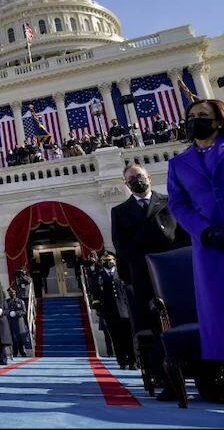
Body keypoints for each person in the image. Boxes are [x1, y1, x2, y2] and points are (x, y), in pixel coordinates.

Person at [111, 163, 189, 398]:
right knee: (157, 328)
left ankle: (205, 374)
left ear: (149, 177)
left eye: (140, 176)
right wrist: (147, 260)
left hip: (175, 274)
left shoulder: (169, 202)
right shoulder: (120, 211)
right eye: (131, 178)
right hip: (146, 276)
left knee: (185, 318)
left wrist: (172, 259)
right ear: (126, 184)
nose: (137, 181)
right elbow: (121, 246)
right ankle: (168, 379)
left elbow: (184, 236)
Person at [167, 99, 224, 367]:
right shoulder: (178, 164)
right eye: (190, 117)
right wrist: (205, 232)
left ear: (218, 121)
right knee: (218, 308)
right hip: (210, 245)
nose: (195, 120)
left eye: (202, 115)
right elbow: (178, 205)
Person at [90, 253, 135, 369]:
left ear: (114, 261)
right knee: (116, 338)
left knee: (128, 337)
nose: (108, 262)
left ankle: (132, 361)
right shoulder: (98, 276)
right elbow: (95, 294)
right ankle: (122, 361)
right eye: (105, 261)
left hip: (124, 310)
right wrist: (99, 310)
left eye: (110, 260)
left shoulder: (121, 273)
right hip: (109, 311)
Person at [6, 288, 27, 358]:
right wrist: (9, 313)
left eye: (13, 292)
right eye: (10, 293)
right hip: (11, 322)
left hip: (19, 322)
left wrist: (16, 313)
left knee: (20, 337)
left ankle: (22, 351)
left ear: (15, 293)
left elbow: (24, 311)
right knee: (13, 338)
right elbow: (5, 310)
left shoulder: (20, 301)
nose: (11, 294)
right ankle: (14, 352)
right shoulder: (7, 301)